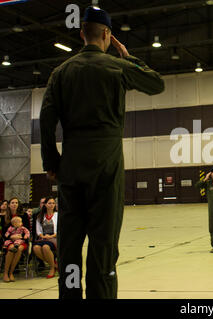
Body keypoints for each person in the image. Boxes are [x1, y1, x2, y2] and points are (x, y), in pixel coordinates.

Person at [39, 6, 164, 299]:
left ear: (82, 34)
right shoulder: (118, 68)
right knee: (103, 246)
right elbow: (156, 83)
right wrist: (127, 56)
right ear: (107, 35)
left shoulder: (61, 72)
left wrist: (52, 162)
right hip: (107, 169)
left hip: (71, 168)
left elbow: (46, 121)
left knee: (69, 246)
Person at [2, 198, 30, 282]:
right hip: (9, 240)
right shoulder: (4, 216)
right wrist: (11, 237)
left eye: (16, 203)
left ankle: (11, 272)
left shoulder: (24, 215)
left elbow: (27, 229)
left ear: (18, 204)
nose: (14, 204)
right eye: (12, 203)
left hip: (21, 240)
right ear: (9, 205)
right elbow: (4, 232)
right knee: (11, 249)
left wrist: (20, 236)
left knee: (18, 249)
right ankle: (5, 273)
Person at [33, 197, 58, 279]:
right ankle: (55, 265)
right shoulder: (40, 216)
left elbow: (60, 230)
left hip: (54, 237)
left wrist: (51, 236)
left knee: (45, 247)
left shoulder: (58, 215)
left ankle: (51, 268)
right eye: (49, 203)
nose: (51, 205)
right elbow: (38, 231)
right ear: (45, 205)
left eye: (53, 203)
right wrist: (43, 236)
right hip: (43, 237)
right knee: (36, 248)